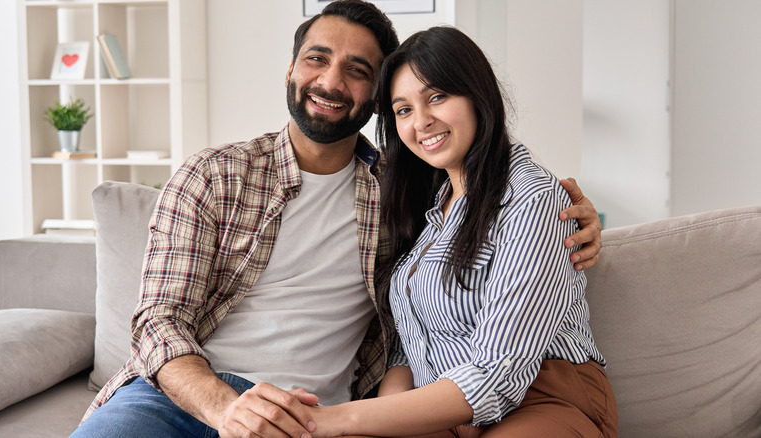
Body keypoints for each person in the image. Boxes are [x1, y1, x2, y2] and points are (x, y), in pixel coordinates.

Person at [71, 2, 604, 438]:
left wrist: (579, 217)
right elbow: (157, 321)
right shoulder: (213, 176)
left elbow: (505, 208)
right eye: (316, 59)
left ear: (373, 100)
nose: (330, 81)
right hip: (181, 400)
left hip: (309, 413)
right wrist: (224, 409)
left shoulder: (400, 188)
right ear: (290, 69)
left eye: (357, 71)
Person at [304, 25, 618, 437]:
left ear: (477, 95)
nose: (422, 122)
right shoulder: (426, 206)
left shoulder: (534, 198)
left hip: (540, 399)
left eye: (437, 97)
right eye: (403, 110)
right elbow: (407, 347)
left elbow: (497, 371)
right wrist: (384, 420)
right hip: (441, 409)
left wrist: (339, 418)